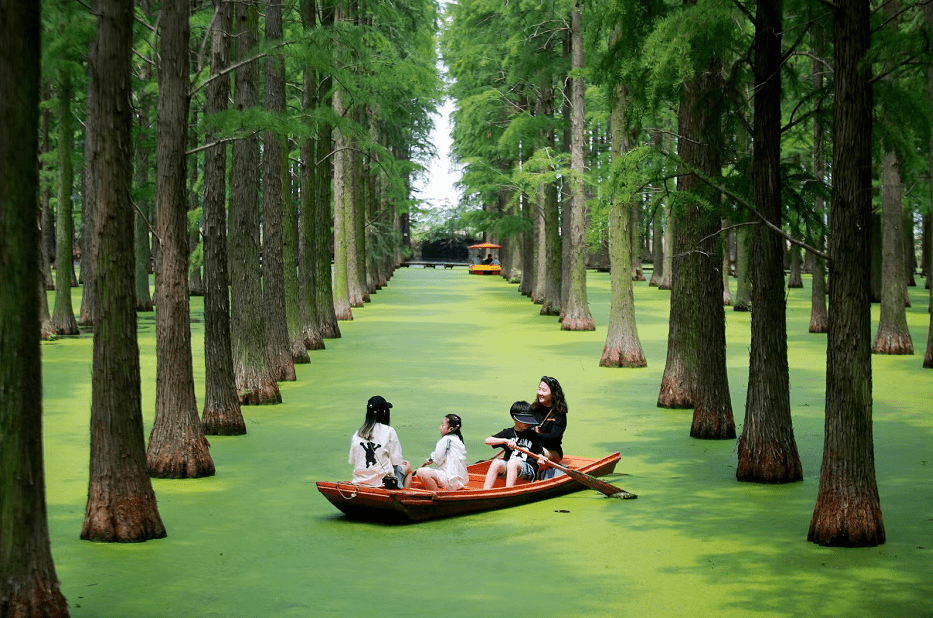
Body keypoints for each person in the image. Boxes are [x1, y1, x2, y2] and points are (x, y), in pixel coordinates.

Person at [348, 395, 412, 488]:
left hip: (359, 481)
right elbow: (396, 461)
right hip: (382, 483)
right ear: (385, 412)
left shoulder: (357, 433)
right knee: (408, 467)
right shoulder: (389, 431)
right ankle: (405, 496)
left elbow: (353, 460)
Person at [483, 401, 545, 489]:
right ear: (515, 419)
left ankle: (508, 492)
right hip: (510, 467)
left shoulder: (533, 435)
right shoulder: (508, 433)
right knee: (496, 462)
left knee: (513, 463)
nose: (528, 423)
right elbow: (488, 441)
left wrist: (541, 458)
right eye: (524, 421)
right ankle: (486, 492)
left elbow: (539, 453)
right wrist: (505, 441)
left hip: (528, 470)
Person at [416, 414, 468, 491]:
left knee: (421, 472)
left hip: (449, 479)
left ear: (450, 429)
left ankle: (435, 494)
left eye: (442, 425)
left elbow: (438, 459)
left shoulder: (445, 440)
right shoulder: (458, 440)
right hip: (460, 480)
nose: (440, 428)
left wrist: (430, 460)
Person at [530, 376, 568, 476]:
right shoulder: (532, 409)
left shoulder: (559, 413)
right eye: (539, 389)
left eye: (544, 390)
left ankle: (536, 480)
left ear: (554, 394)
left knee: (539, 454)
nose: (540, 393)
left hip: (551, 450)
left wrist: (534, 435)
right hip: (531, 448)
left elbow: (555, 436)